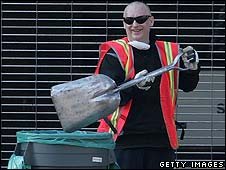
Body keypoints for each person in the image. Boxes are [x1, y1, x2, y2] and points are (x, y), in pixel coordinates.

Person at [94, 1, 200, 169]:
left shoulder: (169, 51)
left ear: (151, 21)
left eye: (140, 19)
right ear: (123, 23)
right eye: (129, 21)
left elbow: (188, 85)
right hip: (124, 142)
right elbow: (105, 98)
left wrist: (192, 69)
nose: (135, 25)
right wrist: (135, 86)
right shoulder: (115, 53)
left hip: (161, 143)